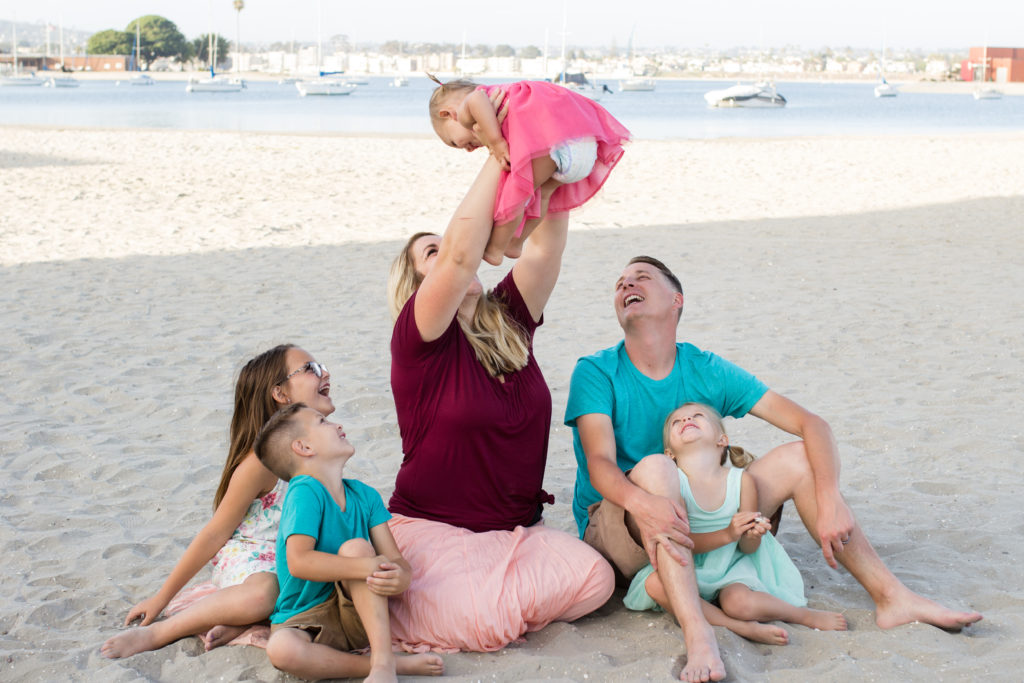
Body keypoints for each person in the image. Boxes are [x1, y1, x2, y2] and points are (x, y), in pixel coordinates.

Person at [566, 256, 983, 682]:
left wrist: (830, 497)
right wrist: (644, 503)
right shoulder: (597, 371)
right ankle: (698, 634)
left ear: (677, 300)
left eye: (641, 277)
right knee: (657, 468)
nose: (626, 284)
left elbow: (812, 424)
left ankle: (892, 597)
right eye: (620, 283)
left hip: (709, 522)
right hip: (625, 527)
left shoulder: (706, 369)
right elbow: (599, 464)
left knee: (803, 458)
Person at [384, 157, 614, 652]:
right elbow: (460, 259)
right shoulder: (416, 343)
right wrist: (500, 157)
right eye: (433, 251)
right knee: (484, 625)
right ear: (415, 281)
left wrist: (558, 173)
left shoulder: (509, 322)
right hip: (433, 530)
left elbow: (544, 248)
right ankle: (462, 605)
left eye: (447, 244)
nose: (449, 252)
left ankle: (468, 603)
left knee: (597, 579)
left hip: (516, 532)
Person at [101, 344, 336, 659]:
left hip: (298, 552)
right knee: (266, 592)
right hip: (257, 557)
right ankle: (161, 633)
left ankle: (239, 624)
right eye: (311, 369)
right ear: (280, 393)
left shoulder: (327, 444)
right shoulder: (259, 464)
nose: (325, 373)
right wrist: (160, 599)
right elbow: (215, 533)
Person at [254, 403, 443, 680]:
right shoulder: (305, 491)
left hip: (357, 617)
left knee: (355, 548)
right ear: (304, 448)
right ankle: (385, 665)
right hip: (304, 620)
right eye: (322, 422)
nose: (337, 425)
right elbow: (299, 562)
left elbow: (394, 559)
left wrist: (400, 576)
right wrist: (369, 566)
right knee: (280, 649)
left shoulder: (365, 496)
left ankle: (382, 662)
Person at [624, 403, 848, 636]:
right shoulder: (672, 483)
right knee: (654, 585)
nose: (686, 420)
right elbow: (681, 540)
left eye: (697, 416)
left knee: (738, 603)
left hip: (731, 565)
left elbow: (748, 548)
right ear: (669, 453)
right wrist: (728, 533)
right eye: (676, 422)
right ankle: (737, 627)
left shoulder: (742, 481)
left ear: (722, 440)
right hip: (686, 564)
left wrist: (752, 535)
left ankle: (801, 615)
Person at [427, 75, 629, 264]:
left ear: (448, 114)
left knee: (517, 191)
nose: (468, 150)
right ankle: (515, 243)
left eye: (455, 143)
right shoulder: (505, 101)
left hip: (558, 142)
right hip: (583, 146)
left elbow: (477, 100)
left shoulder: (471, 105)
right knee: (543, 194)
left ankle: (496, 249)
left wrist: (496, 143)